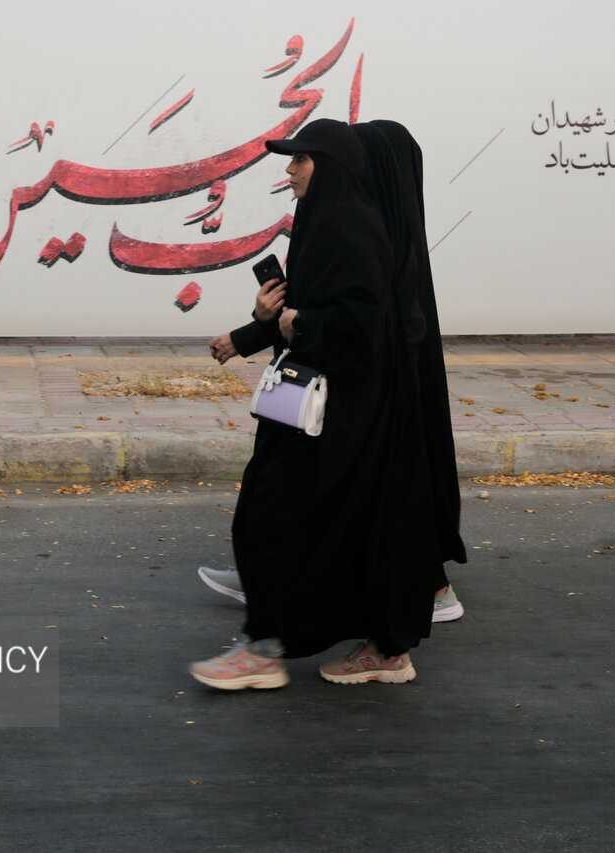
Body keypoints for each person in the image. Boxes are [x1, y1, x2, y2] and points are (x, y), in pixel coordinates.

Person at [189, 118, 444, 690]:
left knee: (271, 515)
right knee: (324, 525)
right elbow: (302, 310)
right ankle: (380, 647)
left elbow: (364, 323)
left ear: (328, 165)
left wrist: (301, 322)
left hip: (341, 414)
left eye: (300, 160)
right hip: (310, 407)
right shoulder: (321, 222)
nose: (290, 169)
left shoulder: (352, 228)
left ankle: (265, 649)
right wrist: (254, 328)